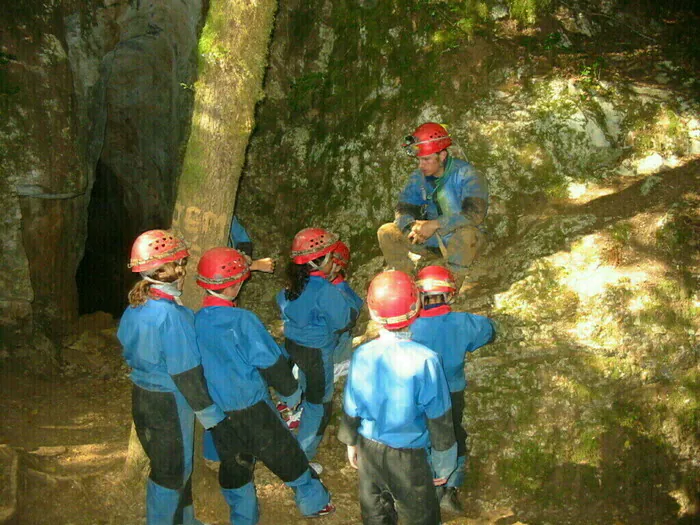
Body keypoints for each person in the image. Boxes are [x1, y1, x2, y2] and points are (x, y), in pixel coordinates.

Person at [193, 247, 334, 522]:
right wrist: (292, 395)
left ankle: (243, 517)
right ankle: (313, 502)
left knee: (235, 463)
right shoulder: (242, 320)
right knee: (285, 452)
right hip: (252, 407)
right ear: (235, 285)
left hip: (217, 412)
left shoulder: (195, 321)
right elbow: (271, 364)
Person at [117, 229, 225, 525]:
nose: (183, 270)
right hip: (169, 401)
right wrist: (210, 414)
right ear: (163, 270)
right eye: (179, 264)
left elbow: (126, 345)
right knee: (171, 473)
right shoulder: (172, 317)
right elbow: (186, 373)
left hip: (142, 395)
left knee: (176, 467)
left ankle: (184, 520)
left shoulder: (136, 307)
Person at [338, 270, 457, 525]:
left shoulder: (362, 354)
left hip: (369, 448)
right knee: (420, 515)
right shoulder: (426, 360)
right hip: (408, 457)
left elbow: (351, 404)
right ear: (416, 309)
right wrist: (444, 464)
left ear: (372, 312)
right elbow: (440, 417)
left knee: (376, 511)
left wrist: (350, 441)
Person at [411, 265, 496, 514]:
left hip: (417, 396)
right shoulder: (463, 323)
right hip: (450, 394)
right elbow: (491, 331)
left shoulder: (410, 328)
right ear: (450, 294)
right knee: (453, 437)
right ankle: (449, 488)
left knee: (421, 437)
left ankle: (422, 487)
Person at [276, 227, 356, 471]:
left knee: (304, 380)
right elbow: (343, 321)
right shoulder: (325, 291)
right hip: (316, 352)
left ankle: (288, 406)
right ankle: (302, 458)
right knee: (319, 403)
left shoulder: (292, 285)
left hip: (293, 344)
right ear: (320, 260)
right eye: (331, 256)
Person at [377, 122, 489, 289]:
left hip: (459, 240)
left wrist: (435, 225)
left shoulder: (468, 175)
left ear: (442, 156)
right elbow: (403, 208)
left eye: (426, 159)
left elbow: (474, 214)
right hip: (430, 241)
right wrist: (413, 225)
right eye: (419, 160)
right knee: (386, 232)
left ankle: (452, 282)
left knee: (467, 235)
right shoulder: (418, 177)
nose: (421, 165)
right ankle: (406, 281)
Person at [329, 241, 364, 379]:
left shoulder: (340, 291)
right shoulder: (320, 285)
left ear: (337, 267)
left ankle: (339, 362)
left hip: (336, 343)